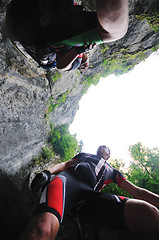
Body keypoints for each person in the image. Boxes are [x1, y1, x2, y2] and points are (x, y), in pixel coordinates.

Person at [19, 145, 159, 240]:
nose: (101, 147)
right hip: (68, 181)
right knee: (42, 229)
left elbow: (137, 191)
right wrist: (47, 172)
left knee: (149, 213)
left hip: (90, 198)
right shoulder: (84, 155)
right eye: (100, 146)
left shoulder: (113, 172)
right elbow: (65, 164)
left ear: (108, 155)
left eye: (104, 147)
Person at [6, 0, 129, 70]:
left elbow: (61, 66)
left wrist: (78, 51)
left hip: (53, 30)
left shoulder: (75, 61)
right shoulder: (80, 51)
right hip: (31, 15)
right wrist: (83, 53)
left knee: (114, 33)